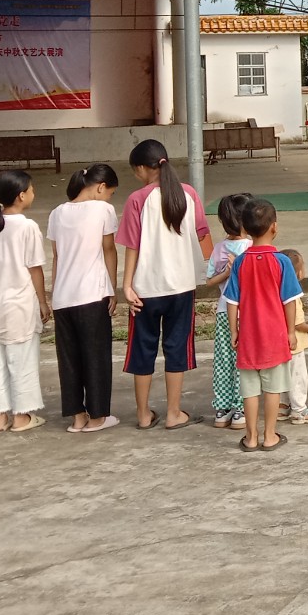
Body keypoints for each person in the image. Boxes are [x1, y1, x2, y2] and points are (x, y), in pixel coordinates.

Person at [116, 138, 213, 431]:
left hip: (146, 288)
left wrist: (127, 284)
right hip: (182, 286)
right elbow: (202, 234)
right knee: (176, 348)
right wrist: (212, 269)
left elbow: (132, 245)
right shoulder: (188, 193)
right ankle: (174, 413)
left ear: (144, 169)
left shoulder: (137, 199)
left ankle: (144, 415)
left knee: (143, 349)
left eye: (136, 171)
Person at [220, 198, 302, 454]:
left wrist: (234, 331)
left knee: (250, 391)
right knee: (273, 389)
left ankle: (251, 437)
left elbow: (231, 300)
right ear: (274, 227)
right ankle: (269, 436)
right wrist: (290, 331)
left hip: (248, 336)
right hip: (274, 334)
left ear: (244, 229)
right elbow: (289, 301)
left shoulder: (241, 262)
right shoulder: (282, 262)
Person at [46, 163, 120, 434]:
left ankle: (77, 416)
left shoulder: (57, 213)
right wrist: (112, 288)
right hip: (92, 293)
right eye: (110, 192)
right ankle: (98, 416)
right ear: (101, 187)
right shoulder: (103, 209)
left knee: (69, 359)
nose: (109, 198)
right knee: (96, 355)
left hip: (63, 297)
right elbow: (109, 249)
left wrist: (55, 293)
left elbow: (56, 257)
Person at [0, 170, 50, 434]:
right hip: (18, 304)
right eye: (31, 190)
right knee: (21, 359)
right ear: (21, 196)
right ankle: (21, 415)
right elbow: (35, 269)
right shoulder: (27, 227)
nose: (33, 193)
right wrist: (42, 302)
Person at [207, 193, 254, 430]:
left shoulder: (219, 248)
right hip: (246, 313)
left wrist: (226, 273)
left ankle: (222, 408)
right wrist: (232, 270)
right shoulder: (252, 247)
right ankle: (239, 407)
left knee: (224, 360)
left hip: (224, 310)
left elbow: (209, 280)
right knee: (242, 360)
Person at [282, 249, 308, 425]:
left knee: (281, 376)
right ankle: (299, 410)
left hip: (279, 343)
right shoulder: (293, 294)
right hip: (294, 344)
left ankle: (282, 407)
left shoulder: (276, 290)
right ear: (297, 272)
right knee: (298, 376)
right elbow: (297, 323)